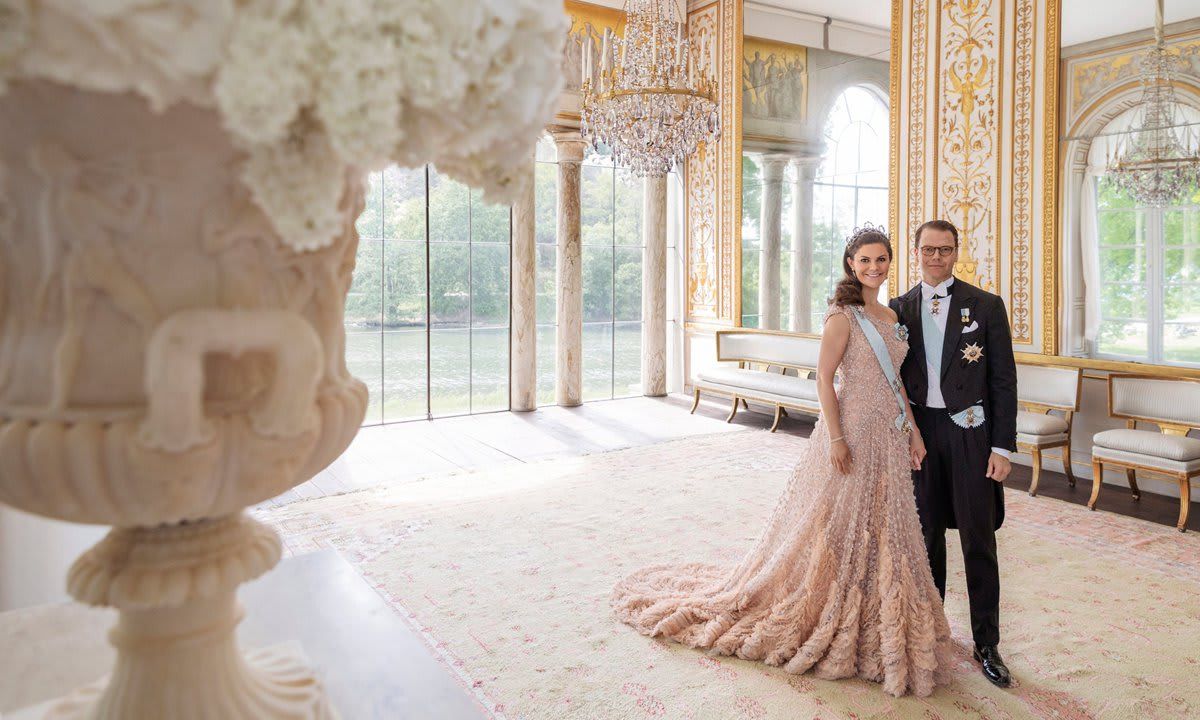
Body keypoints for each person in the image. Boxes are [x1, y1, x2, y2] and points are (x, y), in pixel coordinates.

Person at [612, 226, 953, 698]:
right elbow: (825, 382)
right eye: (865, 261)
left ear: (890, 263)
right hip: (851, 431)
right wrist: (835, 438)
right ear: (850, 265)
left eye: (882, 260)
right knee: (836, 522)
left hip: (890, 437)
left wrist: (913, 433)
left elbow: (897, 384)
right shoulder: (843, 317)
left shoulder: (891, 314)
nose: (874, 268)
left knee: (884, 523)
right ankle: (829, 604)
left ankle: (878, 606)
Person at [889, 219, 1018, 688]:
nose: (936, 257)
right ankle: (932, 633)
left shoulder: (985, 305)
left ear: (957, 252)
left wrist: (1002, 446)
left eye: (945, 250)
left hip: (972, 434)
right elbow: (892, 379)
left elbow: (1003, 380)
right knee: (926, 539)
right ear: (916, 251)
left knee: (978, 539)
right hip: (921, 436)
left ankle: (988, 643)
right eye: (928, 249)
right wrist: (900, 434)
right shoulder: (897, 307)